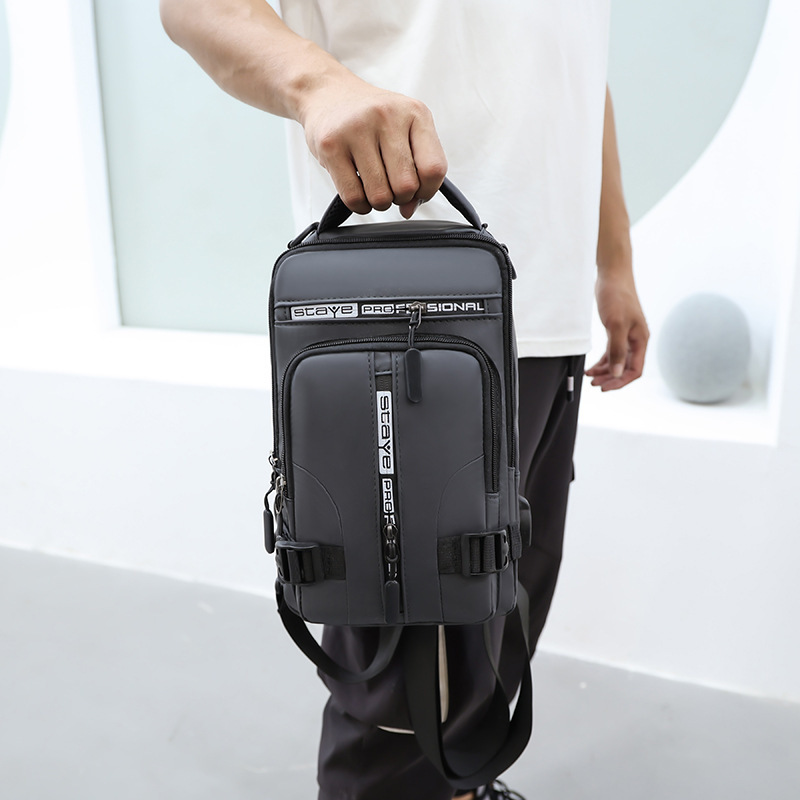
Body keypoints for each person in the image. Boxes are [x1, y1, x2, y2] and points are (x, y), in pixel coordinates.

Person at [160, 2, 649, 798]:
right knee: (401, 682)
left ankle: (459, 787)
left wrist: (613, 262)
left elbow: (580, 75)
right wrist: (318, 84)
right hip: (401, 313)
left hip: (541, 312)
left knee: (499, 608)